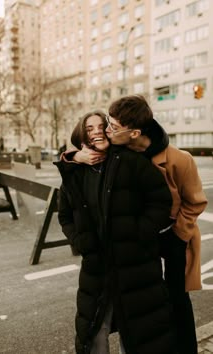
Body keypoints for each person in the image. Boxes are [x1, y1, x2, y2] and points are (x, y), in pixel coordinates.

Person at [68, 96, 208, 354]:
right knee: (148, 307)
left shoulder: (179, 159)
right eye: (108, 123)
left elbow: (195, 202)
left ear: (133, 133)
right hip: (141, 239)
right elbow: (83, 147)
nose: (107, 130)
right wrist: (75, 155)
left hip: (172, 235)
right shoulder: (122, 146)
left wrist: (176, 235)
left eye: (112, 127)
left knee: (176, 300)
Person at [55, 110, 178, 354]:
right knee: (95, 331)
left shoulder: (130, 161)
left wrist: (139, 234)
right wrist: (80, 241)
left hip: (136, 266)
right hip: (97, 268)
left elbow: (160, 202)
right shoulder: (75, 172)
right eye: (90, 128)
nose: (97, 130)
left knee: (139, 333)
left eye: (101, 125)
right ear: (82, 135)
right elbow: (65, 215)